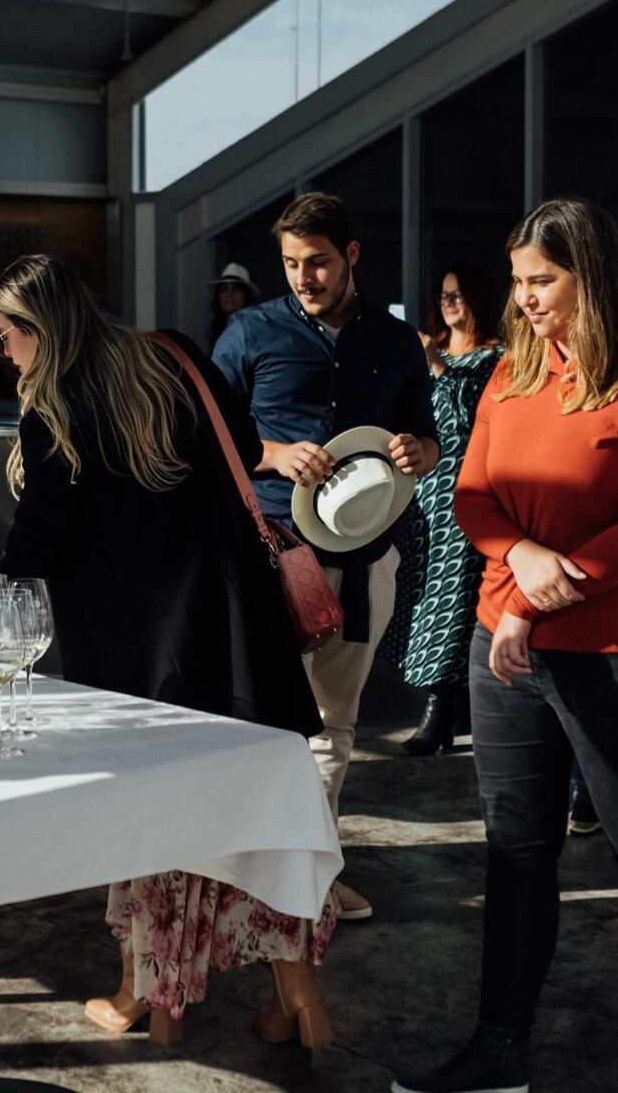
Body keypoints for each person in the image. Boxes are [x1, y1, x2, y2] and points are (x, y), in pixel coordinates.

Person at [393, 197, 618, 1093]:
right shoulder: (511, 372)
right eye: (519, 281)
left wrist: (536, 599)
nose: (525, 297)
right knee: (516, 847)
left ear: (593, 277)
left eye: (543, 280)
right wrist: (524, 559)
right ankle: (501, 1045)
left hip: (617, 651)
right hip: (506, 646)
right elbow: (472, 496)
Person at [0, 254, 333, 1048]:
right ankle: (299, 991)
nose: (4, 355)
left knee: (154, 824)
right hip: (237, 637)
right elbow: (243, 445)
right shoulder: (174, 353)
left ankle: (151, 994)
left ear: (38, 328)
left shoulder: (59, 409)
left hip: (142, 662)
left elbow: (42, 536)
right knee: (257, 812)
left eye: (6, 338)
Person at [213, 191, 439, 925]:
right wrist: (274, 454)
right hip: (272, 553)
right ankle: (241, 871)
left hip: (366, 550)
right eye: (290, 264)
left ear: (351, 255)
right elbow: (205, 437)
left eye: (316, 262)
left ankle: (311, 873)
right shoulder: (249, 332)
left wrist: (419, 451)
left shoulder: (397, 343)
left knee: (332, 726)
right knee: (258, 720)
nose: (303, 277)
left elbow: (427, 442)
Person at [378, 262, 504, 757]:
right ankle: (445, 704)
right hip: (420, 495)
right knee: (417, 598)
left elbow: (470, 418)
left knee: (451, 601)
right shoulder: (430, 352)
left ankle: (441, 710)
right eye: (444, 295)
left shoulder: (498, 357)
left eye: (459, 294)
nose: (450, 303)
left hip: (465, 491)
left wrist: (437, 367)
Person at [207, 261, 260, 346]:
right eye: (224, 289)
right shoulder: (217, 330)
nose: (229, 294)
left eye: (235, 289)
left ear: (246, 295)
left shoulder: (255, 330)